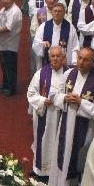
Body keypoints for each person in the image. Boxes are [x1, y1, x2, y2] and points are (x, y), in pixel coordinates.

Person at [48, 47, 94, 186]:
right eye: (80, 58)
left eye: (86, 60)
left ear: (93, 62)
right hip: (66, 124)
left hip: (86, 129)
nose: (81, 62)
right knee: (63, 157)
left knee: (78, 161)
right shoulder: (69, 74)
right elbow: (54, 95)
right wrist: (64, 98)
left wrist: (81, 103)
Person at [27, 45, 67, 178]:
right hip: (45, 115)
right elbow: (31, 93)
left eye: (58, 56)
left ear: (63, 58)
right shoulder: (41, 73)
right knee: (43, 140)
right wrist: (43, 101)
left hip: (62, 116)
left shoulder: (70, 74)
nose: (55, 59)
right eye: (52, 56)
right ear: (49, 58)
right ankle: (40, 170)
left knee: (60, 142)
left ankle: (56, 172)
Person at [0, 0, 22, 96]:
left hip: (10, 44)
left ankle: (11, 89)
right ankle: (5, 84)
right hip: (2, 43)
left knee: (10, 67)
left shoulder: (15, 11)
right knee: (4, 66)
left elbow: (8, 28)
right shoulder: (3, 9)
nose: (5, 1)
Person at [32, 2, 77, 66]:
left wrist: (74, 63)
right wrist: (42, 44)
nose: (57, 13)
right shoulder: (43, 26)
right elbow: (35, 44)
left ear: (64, 13)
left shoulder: (70, 28)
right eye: (55, 11)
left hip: (64, 64)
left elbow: (75, 47)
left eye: (59, 11)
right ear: (52, 12)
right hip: (47, 63)